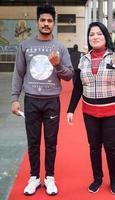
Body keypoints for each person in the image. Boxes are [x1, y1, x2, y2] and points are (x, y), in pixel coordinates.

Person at [11, 4, 73, 196]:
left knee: (51, 142)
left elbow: (69, 75)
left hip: (52, 101)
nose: (46, 24)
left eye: (49, 21)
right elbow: (18, 73)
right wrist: (15, 98)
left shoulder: (60, 48)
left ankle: (50, 177)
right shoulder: (25, 46)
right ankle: (34, 177)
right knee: (33, 141)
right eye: (43, 20)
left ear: (53, 24)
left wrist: (58, 65)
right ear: (37, 22)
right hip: (31, 100)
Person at [67, 22, 115, 195]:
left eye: (98, 34)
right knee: (94, 146)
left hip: (112, 112)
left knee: (110, 147)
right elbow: (78, 88)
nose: (94, 37)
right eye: (91, 34)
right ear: (88, 39)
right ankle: (97, 178)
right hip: (89, 112)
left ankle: (114, 179)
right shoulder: (83, 59)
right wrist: (70, 110)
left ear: (105, 36)